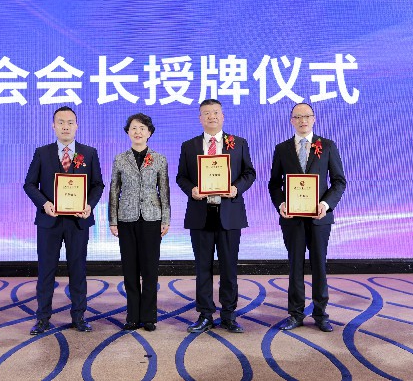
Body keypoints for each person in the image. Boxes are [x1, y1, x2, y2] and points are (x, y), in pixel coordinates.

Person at [176, 99, 256, 333]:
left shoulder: (239, 143)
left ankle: (229, 315)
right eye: (206, 113)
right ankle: (205, 315)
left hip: (229, 214)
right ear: (200, 118)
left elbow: (249, 173)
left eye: (215, 112)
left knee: (229, 268)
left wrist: (236, 188)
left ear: (223, 116)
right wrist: (192, 189)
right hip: (200, 214)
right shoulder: (189, 146)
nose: (211, 116)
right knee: (202, 268)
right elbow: (181, 177)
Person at [24, 106, 105, 334]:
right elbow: (29, 184)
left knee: (78, 270)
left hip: (78, 221)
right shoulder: (43, 153)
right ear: (53, 126)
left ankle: (79, 317)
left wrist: (89, 205)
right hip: (49, 221)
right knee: (46, 270)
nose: (66, 126)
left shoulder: (89, 153)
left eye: (70, 122)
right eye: (61, 122)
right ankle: (42, 318)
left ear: (76, 126)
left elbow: (98, 185)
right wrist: (44, 204)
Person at [268, 103, 346, 332]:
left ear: (314, 119)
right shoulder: (282, 149)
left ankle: (321, 314)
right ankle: (295, 314)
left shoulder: (327, 146)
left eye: (307, 116)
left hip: (319, 217)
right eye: (298, 117)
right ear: (291, 121)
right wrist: (281, 204)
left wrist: (325, 204)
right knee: (295, 266)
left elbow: (339, 182)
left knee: (319, 265)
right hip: (292, 218)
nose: (303, 120)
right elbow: (274, 184)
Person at [109, 113, 170, 332]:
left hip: (152, 218)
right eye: (134, 128)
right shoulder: (120, 159)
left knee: (150, 270)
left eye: (142, 128)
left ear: (149, 133)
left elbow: (164, 190)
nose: (138, 132)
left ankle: (149, 316)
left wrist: (166, 218)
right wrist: (113, 220)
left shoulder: (159, 159)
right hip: (126, 218)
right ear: (128, 132)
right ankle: (132, 316)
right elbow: (114, 190)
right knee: (130, 270)